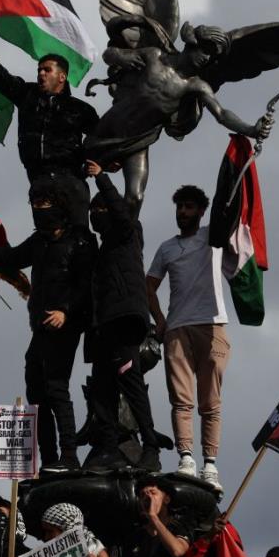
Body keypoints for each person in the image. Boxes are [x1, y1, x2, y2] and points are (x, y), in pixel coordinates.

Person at [0, 180, 96, 470]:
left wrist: (65, 312)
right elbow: (11, 257)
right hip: (40, 325)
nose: (39, 211)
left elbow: (87, 284)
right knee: (36, 393)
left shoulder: (80, 240)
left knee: (56, 388)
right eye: (35, 206)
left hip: (65, 324)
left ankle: (69, 455)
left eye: (45, 205)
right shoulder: (39, 241)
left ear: (60, 206)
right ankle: (50, 458)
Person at [0, 22, 99, 227]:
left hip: (70, 181)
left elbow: (102, 137)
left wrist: (102, 164)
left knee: (77, 238)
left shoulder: (80, 109)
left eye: (47, 70)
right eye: (39, 70)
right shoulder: (27, 95)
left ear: (62, 76)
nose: (41, 73)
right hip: (38, 180)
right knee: (46, 239)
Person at [146, 185, 230, 492]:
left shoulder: (213, 237)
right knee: (180, 399)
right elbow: (149, 285)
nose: (183, 212)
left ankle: (210, 463)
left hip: (212, 324)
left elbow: (230, 210)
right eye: (180, 207)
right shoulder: (167, 248)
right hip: (178, 328)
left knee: (211, 401)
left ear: (201, 211)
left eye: (190, 207)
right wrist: (160, 322)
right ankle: (186, 457)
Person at [84, 160, 161, 472]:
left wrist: (101, 178)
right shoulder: (102, 252)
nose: (95, 215)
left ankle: (150, 446)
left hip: (125, 320)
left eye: (99, 209)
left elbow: (122, 213)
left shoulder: (127, 235)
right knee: (102, 388)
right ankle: (107, 445)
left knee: (130, 382)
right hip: (104, 326)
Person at [124, 479, 195, 557]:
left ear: (166, 499)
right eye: (142, 495)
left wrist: (153, 516)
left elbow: (178, 551)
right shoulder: (136, 535)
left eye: (153, 493)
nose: (147, 498)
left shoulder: (179, 526)